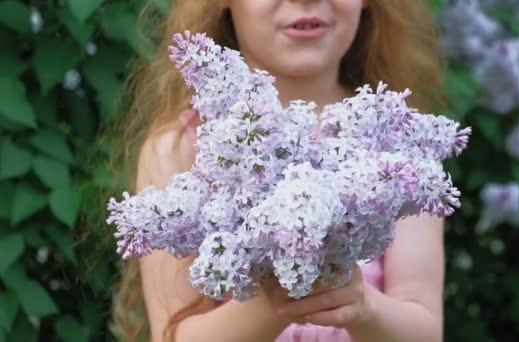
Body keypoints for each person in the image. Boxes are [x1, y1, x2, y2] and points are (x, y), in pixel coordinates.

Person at [112, 1, 446, 341]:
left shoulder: (399, 150)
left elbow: (424, 329)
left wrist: (363, 308)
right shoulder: (180, 147)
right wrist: (276, 299)